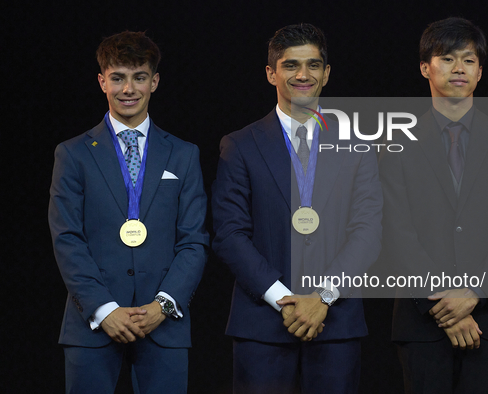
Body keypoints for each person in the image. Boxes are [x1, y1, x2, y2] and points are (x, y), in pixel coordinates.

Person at [212, 23, 382, 393]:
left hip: (335, 322)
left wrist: (322, 297)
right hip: (262, 324)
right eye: (291, 66)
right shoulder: (240, 145)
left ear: (327, 73)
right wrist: (282, 299)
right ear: (272, 73)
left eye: (313, 65)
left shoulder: (359, 145)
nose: (303, 75)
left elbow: (368, 233)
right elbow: (229, 233)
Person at [379, 17, 488, 393]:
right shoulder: (396, 147)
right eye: (447, 58)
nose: (459, 68)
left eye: (468, 60)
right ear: (425, 67)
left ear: (480, 72)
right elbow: (396, 233)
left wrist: (474, 292)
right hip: (422, 323)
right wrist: (447, 309)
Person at [48, 31, 209, 393]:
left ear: (154, 81)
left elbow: (194, 241)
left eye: (139, 77)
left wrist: (163, 305)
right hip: (92, 323)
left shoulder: (183, 154)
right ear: (102, 81)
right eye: (118, 77)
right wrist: (104, 308)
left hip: (164, 323)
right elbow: (67, 239)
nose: (128, 88)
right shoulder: (73, 154)